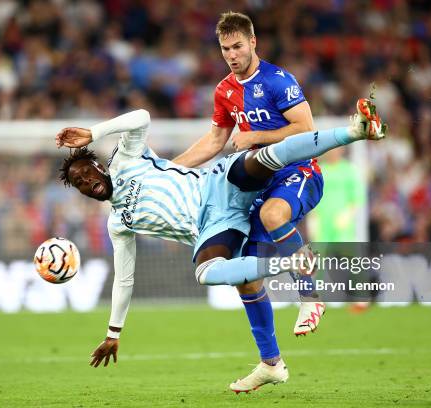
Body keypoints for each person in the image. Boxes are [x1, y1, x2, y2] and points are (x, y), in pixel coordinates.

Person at [55, 98, 386, 392]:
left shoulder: (127, 159)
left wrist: (93, 133)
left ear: (98, 166)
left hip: (217, 185)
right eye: (80, 184)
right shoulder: (118, 223)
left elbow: (141, 116)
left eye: (86, 173)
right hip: (213, 228)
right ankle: (288, 265)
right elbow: (124, 279)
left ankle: (354, 131)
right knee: (207, 272)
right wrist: (114, 332)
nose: (86, 182)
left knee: (260, 158)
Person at [171, 14, 323, 377]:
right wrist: (169, 170)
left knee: (273, 216)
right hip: (263, 184)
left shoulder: (277, 80)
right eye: (225, 49)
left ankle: (311, 296)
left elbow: (306, 128)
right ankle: (271, 363)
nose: (232, 55)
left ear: (253, 43)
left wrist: (254, 137)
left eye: (238, 46)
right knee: (245, 278)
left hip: (299, 173)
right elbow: (214, 141)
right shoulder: (224, 90)